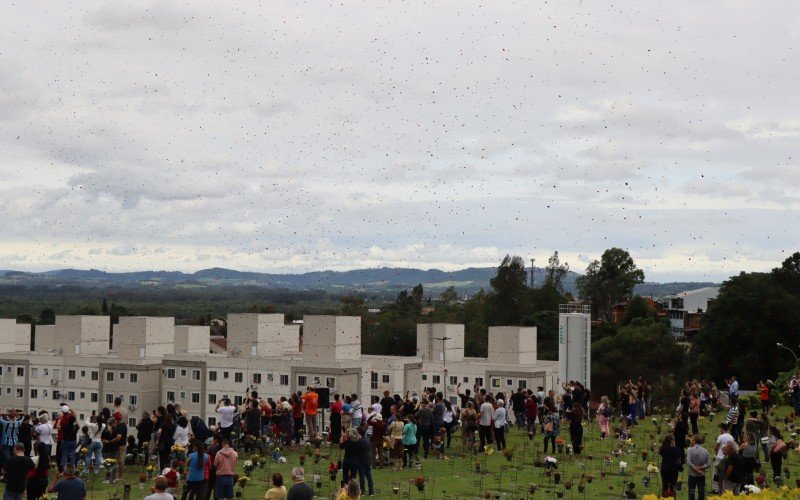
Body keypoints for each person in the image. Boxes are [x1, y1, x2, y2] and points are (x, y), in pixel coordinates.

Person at [686, 434, 710, 500]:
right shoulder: (706, 451)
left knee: (691, 492)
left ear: (695, 441)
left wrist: (695, 468)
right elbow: (708, 464)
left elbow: (688, 462)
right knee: (701, 492)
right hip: (701, 474)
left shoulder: (690, 450)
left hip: (692, 474)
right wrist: (700, 468)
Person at [712, 423, 734, 493]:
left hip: (720, 457)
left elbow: (716, 447)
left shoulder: (721, 437)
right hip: (727, 457)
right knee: (725, 473)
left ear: (722, 429)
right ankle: (724, 488)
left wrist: (716, 453)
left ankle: (716, 489)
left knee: (716, 473)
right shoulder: (731, 437)